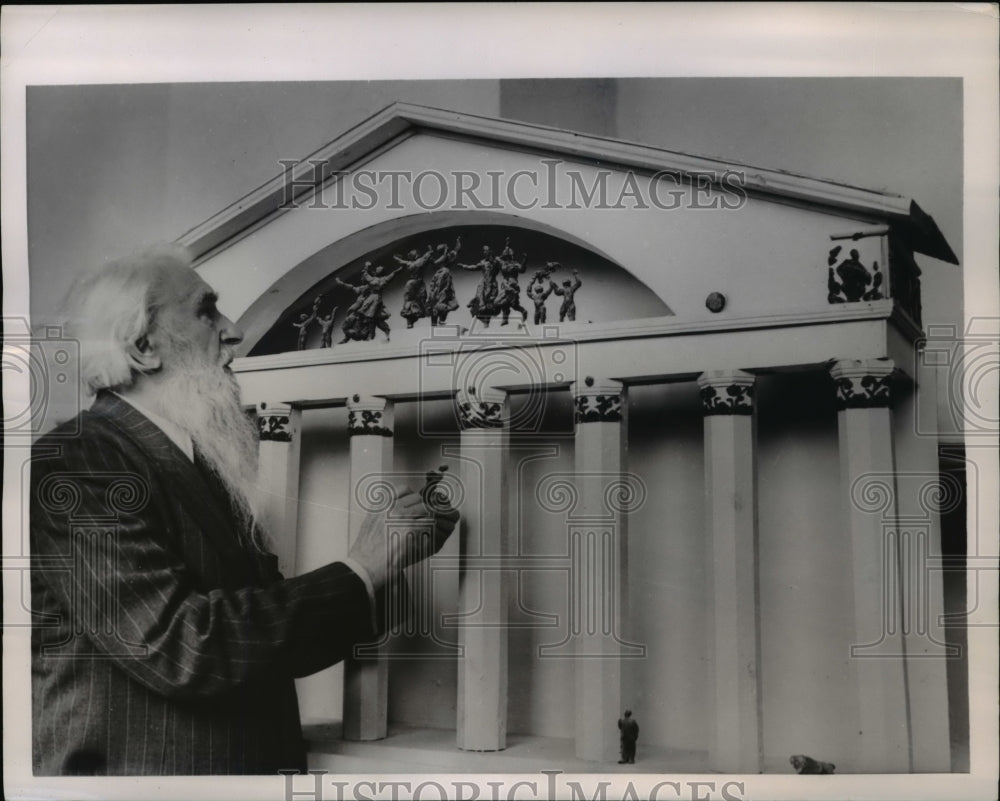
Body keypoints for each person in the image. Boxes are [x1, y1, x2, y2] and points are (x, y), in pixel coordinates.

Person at [30, 243, 459, 775]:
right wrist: (361, 569)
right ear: (143, 348)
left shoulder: (197, 461)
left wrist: (389, 557)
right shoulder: (80, 457)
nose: (232, 330)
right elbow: (180, 648)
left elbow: (269, 640)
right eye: (207, 310)